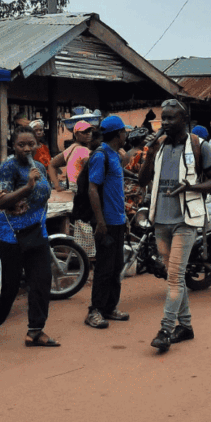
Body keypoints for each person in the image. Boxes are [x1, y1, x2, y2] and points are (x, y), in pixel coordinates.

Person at [139, 99, 211, 352]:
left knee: (174, 277)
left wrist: (191, 187)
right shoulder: (159, 147)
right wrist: (150, 152)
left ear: (184, 121)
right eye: (163, 118)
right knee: (175, 277)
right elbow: (143, 180)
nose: (164, 123)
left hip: (185, 221)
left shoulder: (200, 146)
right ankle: (185, 326)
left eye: (170, 118)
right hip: (160, 221)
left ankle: (165, 329)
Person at [0, 124, 60, 348]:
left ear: (37, 145)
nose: (26, 148)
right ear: (13, 146)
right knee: (8, 287)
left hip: (36, 234)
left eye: (30, 144)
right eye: (21, 144)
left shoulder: (40, 168)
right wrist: (28, 187)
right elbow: (2, 201)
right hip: (8, 235)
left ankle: (35, 331)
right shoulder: (7, 168)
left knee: (42, 281)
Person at [84, 116, 129, 330]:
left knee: (116, 266)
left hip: (117, 220)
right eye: (124, 132)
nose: (126, 135)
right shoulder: (101, 155)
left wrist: (124, 217)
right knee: (104, 267)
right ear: (118, 133)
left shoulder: (114, 156)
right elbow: (92, 189)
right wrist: (100, 222)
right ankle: (95, 311)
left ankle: (110, 307)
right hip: (106, 222)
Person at [49, 120, 93, 191]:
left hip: (72, 187)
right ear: (76, 134)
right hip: (81, 188)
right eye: (84, 132)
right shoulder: (83, 150)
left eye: (89, 131)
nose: (88, 134)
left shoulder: (72, 148)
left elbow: (52, 164)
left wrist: (57, 186)